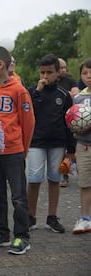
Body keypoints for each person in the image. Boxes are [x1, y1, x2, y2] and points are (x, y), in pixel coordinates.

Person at [0, 46, 35, 255]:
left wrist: (24, 148)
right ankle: (1, 234)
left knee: (18, 197)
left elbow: (28, 122)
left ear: (0, 64)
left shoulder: (19, 90)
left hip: (13, 151)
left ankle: (22, 237)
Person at [27, 54, 75, 234]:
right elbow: (28, 112)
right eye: (42, 72)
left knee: (54, 179)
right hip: (36, 143)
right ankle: (30, 217)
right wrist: (37, 92)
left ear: (58, 73)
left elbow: (70, 123)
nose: (45, 76)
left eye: (49, 72)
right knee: (34, 179)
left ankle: (52, 217)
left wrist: (71, 150)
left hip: (57, 143)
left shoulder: (64, 95)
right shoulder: (32, 91)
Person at [72, 58, 91, 234]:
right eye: (85, 73)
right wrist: (78, 126)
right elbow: (72, 122)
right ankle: (85, 218)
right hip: (84, 146)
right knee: (85, 183)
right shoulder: (78, 98)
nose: (89, 76)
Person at [58, 57, 80, 187]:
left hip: (70, 117)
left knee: (72, 148)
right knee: (61, 150)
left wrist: (64, 94)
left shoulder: (69, 80)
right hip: (57, 119)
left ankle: (78, 169)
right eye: (60, 67)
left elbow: (75, 93)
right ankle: (64, 176)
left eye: (64, 67)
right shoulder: (52, 81)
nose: (63, 70)